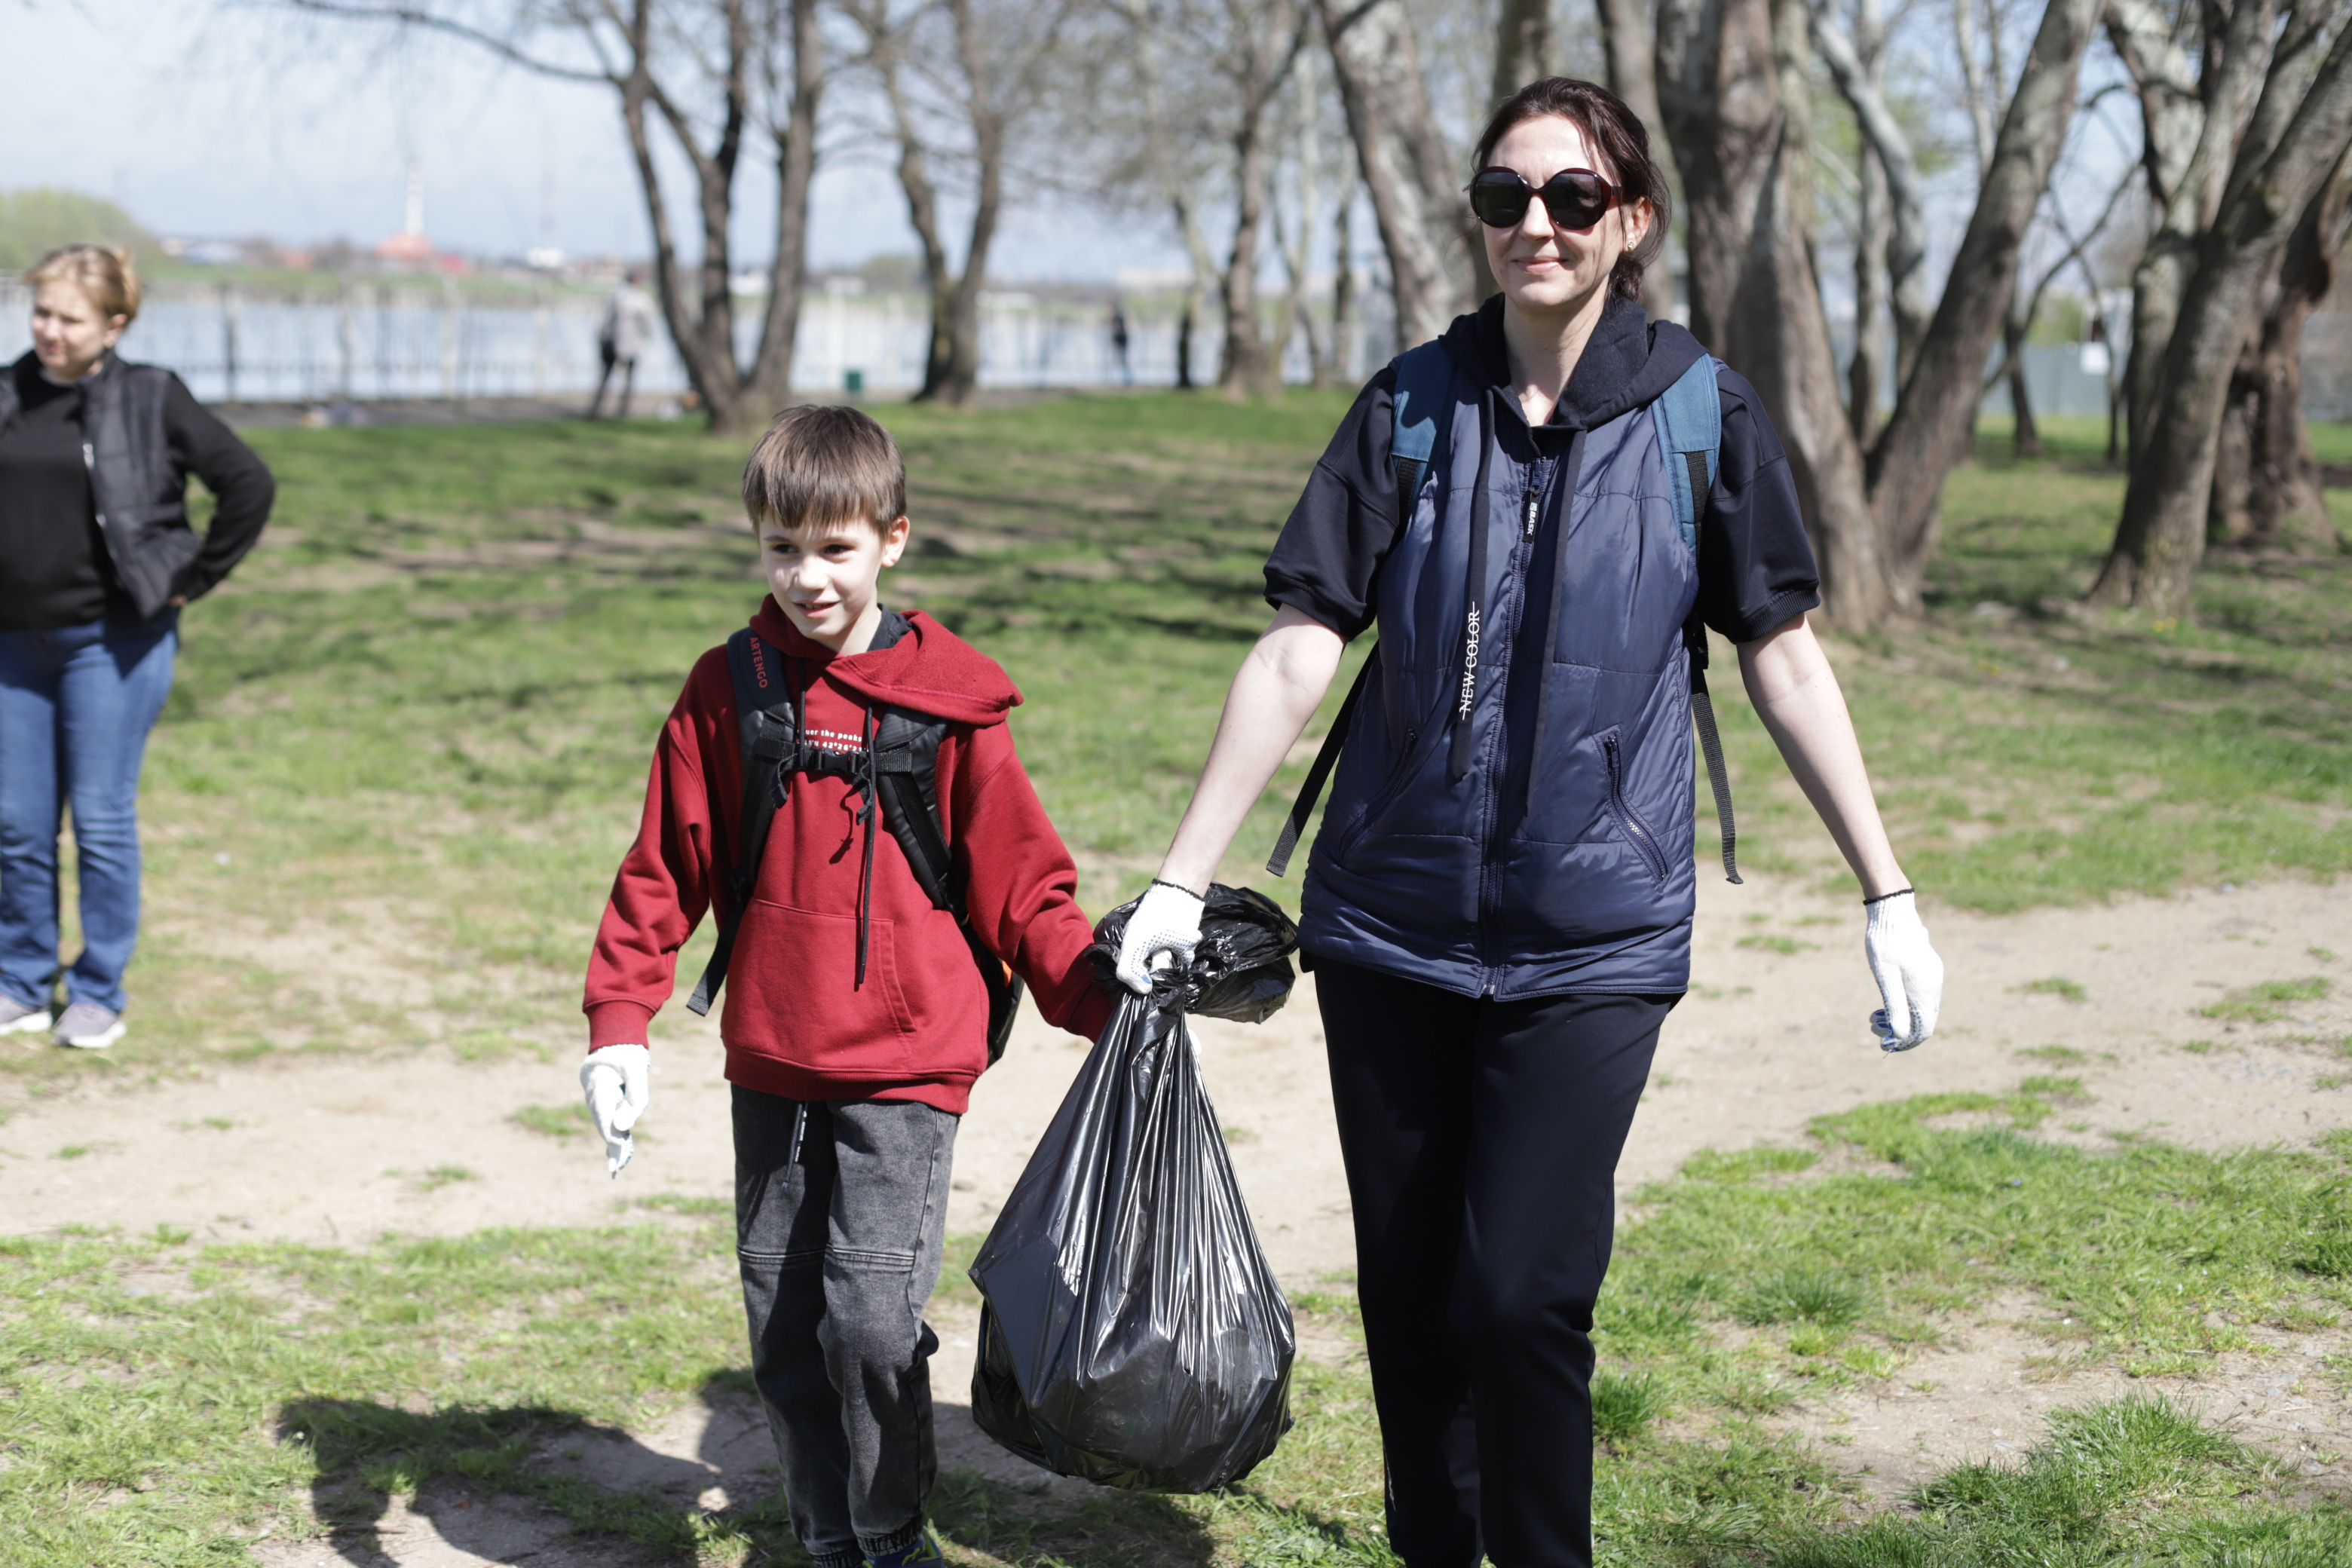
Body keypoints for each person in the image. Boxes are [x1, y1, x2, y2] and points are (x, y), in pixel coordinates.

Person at [1111, 78, 1944, 1568]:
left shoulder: (1705, 413)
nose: (1534, 228)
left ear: (1631, 220)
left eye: (1570, 200)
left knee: (1526, 1295)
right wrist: (1180, 876)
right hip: (1390, 927)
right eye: (1504, 198)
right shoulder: (1412, 404)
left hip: (1596, 938)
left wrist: (1887, 889)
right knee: (1413, 1299)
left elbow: (1786, 653)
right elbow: (1304, 641)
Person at [577, 404, 1113, 1568]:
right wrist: (619, 1022)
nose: (807, 577)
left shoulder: (955, 700)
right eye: (781, 548)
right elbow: (663, 866)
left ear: (893, 539)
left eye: (835, 548)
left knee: (868, 1324)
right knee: (782, 1330)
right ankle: (826, 1536)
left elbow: (1027, 885)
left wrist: (1108, 1005)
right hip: (772, 1054)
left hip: (909, 1065)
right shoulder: (728, 690)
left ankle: (890, 1532)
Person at [0, 245, 274, 1050]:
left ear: (114, 324)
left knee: (101, 821)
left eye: (69, 318)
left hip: (111, 645)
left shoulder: (151, 397)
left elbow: (248, 484)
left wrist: (191, 579)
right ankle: (20, 980)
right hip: (12, 646)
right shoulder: (7, 390)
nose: (50, 330)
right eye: (41, 312)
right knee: (15, 824)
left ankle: (98, 990)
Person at [590, 268, 658, 419]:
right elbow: (606, 320)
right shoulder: (630, 298)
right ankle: (607, 410)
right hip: (619, 344)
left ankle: (616, 410)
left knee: (617, 379)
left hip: (626, 344)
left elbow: (647, 324)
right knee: (615, 378)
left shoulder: (623, 296)